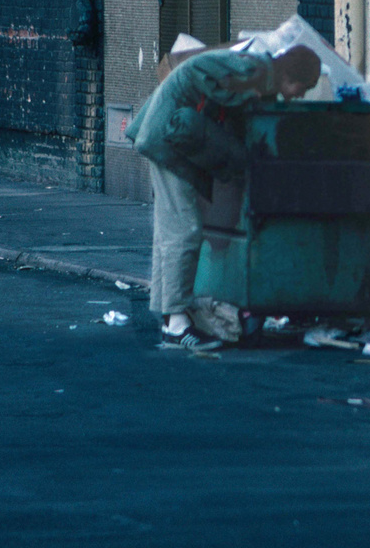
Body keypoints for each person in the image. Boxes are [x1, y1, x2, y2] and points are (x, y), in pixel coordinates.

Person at [127, 43, 323, 350]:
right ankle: (177, 324)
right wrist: (239, 97)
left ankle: (169, 315)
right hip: (169, 136)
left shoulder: (259, 75)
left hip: (168, 135)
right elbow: (196, 70)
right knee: (184, 228)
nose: (301, 94)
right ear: (290, 75)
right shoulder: (252, 70)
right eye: (304, 86)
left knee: (171, 229)